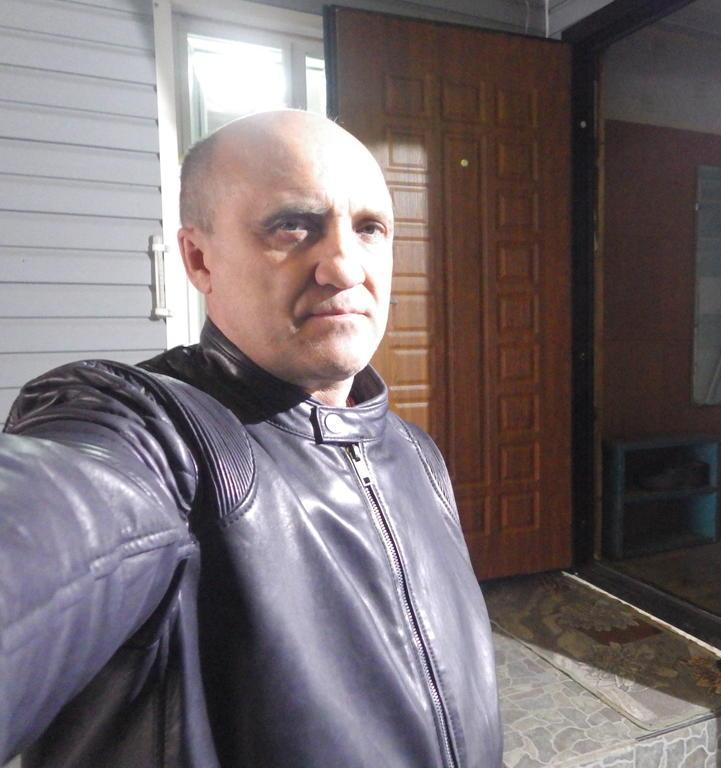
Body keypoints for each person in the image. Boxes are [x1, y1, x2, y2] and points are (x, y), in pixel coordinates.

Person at [0, 110, 502, 768]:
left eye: (369, 228)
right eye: (293, 225)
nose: (344, 267)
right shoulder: (158, 437)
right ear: (199, 259)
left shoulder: (416, 454)